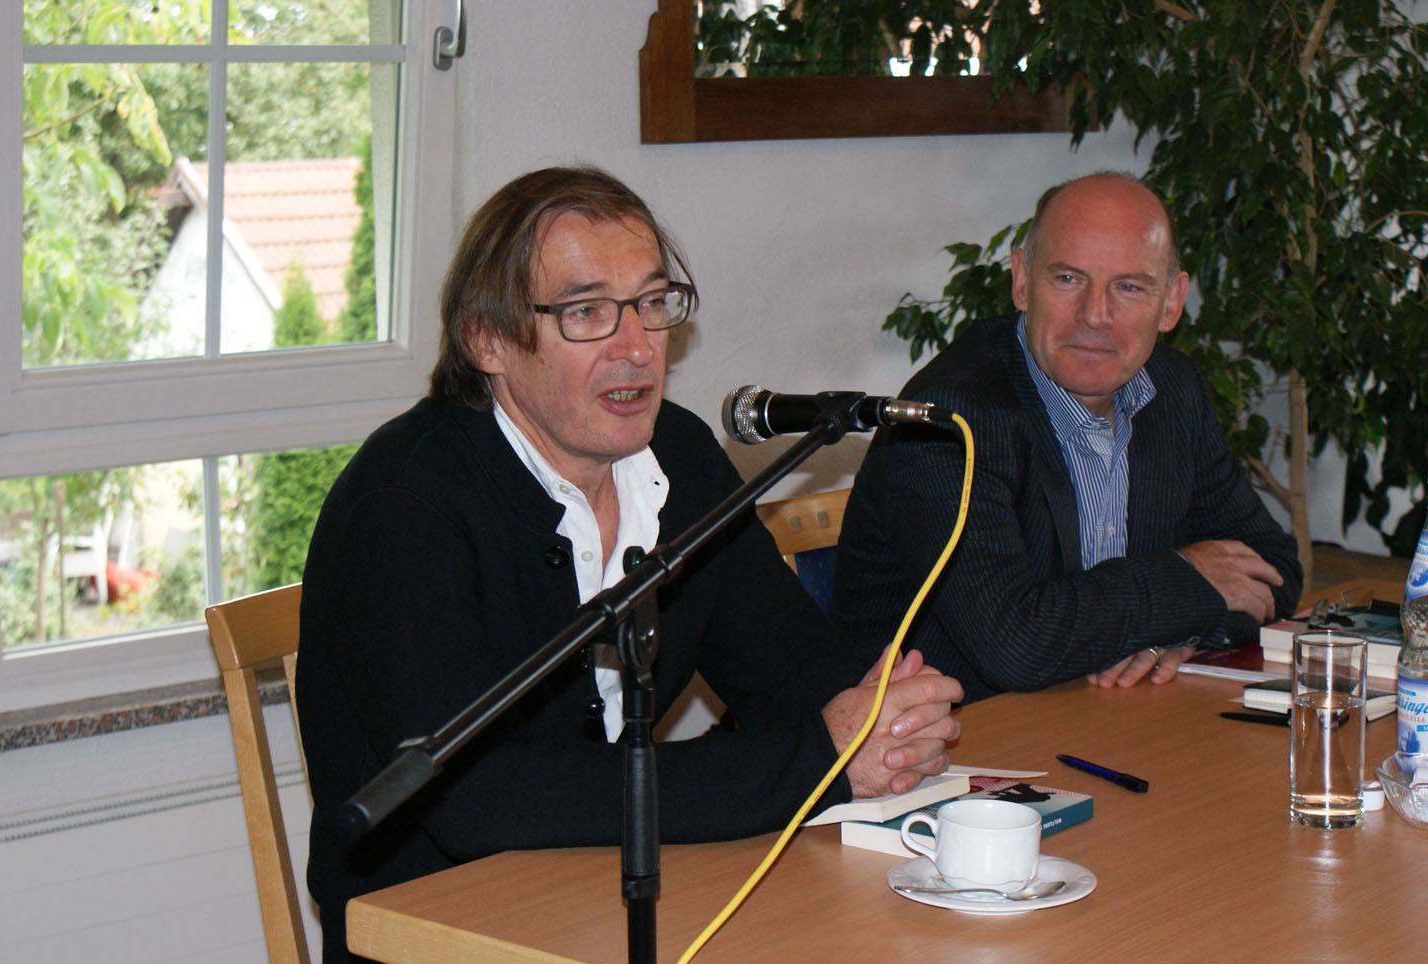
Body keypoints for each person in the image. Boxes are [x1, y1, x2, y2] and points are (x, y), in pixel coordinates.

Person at [295, 166, 963, 963]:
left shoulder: (678, 454)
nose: (637, 347)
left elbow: (788, 668)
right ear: (488, 340)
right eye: (586, 312)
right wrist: (822, 757)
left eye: (651, 303)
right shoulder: (403, 508)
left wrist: (886, 715)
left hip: (625, 898)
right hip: (443, 931)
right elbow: (479, 798)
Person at [832, 172, 1302, 706]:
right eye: (1068, 279)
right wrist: (1187, 581)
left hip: (1103, 713)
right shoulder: (949, 418)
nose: (1094, 315)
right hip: (952, 737)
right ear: (1021, 281)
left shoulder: (1173, 390)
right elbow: (1017, 647)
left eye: (1129, 287)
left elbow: (1273, 568)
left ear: (1172, 303)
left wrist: (1186, 629)